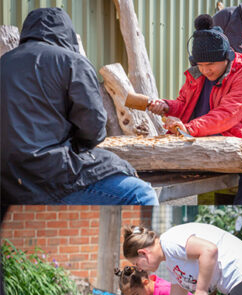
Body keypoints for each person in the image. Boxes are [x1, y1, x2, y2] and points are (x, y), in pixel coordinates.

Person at [0, 8, 158, 206]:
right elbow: (94, 129)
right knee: (140, 194)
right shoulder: (72, 62)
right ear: (66, 33)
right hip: (49, 177)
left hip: (7, 182)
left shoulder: (4, 62)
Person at [148, 14, 242, 205]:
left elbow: (226, 116)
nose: (205, 70)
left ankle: (241, 210)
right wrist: (166, 106)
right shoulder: (197, 75)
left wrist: (188, 128)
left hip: (235, 138)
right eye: (200, 65)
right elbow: (184, 104)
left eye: (210, 65)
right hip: (195, 137)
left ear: (226, 58)